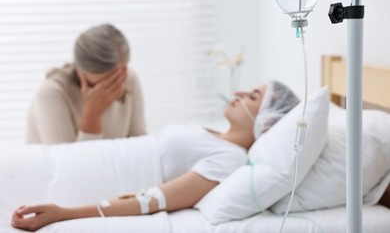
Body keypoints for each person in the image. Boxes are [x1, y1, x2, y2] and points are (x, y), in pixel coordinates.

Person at [11, 81, 300, 232]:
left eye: (252, 96)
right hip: (68, 159)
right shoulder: (212, 133)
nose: (238, 92)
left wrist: (65, 213)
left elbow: (152, 200)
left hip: (84, 180)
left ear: (268, 122)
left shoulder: (230, 159)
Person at [26, 24, 146, 144]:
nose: (119, 82)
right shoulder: (52, 93)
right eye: (107, 81)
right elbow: (67, 162)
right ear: (80, 71)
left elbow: (139, 146)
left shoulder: (129, 79)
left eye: (123, 71)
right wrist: (93, 116)